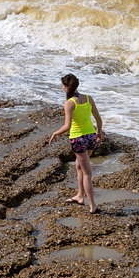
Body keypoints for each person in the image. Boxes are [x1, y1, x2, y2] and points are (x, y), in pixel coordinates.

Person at [47, 73, 104, 213]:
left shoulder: (69, 103)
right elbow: (99, 120)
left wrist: (55, 133)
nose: (62, 87)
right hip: (90, 137)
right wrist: (99, 133)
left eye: (63, 85)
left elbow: (67, 126)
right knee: (79, 166)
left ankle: (92, 205)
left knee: (87, 173)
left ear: (67, 87)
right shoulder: (89, 98)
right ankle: (79, 195)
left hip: (78, 139)